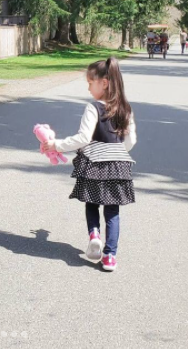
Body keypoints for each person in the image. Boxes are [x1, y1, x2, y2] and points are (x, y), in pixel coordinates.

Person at [44, 57, 137, 272]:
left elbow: (83, 138)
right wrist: (117, 151)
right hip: (118, 166)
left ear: (104, 83)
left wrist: (56, 145)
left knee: (92, 202)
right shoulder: (126, 108)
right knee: (113, 211)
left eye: (90, 83)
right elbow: (131, 141)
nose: (88, 88)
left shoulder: (93, 107)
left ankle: (94, 234)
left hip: (95, 164)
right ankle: (110, 256)